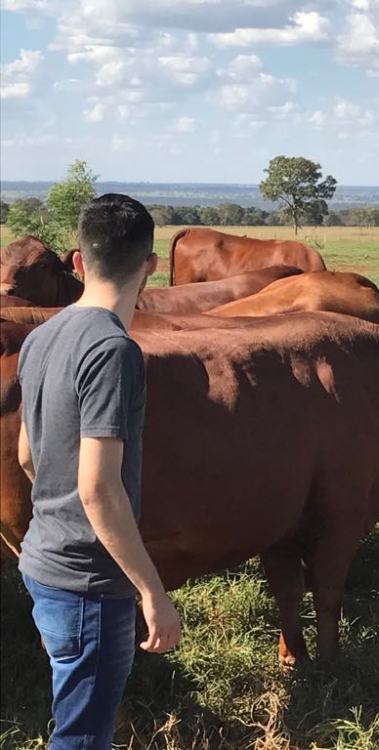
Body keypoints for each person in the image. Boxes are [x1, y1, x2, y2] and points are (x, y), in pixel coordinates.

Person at [17, 193, 181, 749]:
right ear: (151, 266)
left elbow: (25, 455)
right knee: (83, 737)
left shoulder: (41, 337)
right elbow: (98, 488)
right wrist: (152, 591)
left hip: (42, 563)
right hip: (89, 585)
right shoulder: (114, 351)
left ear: (80, 262)